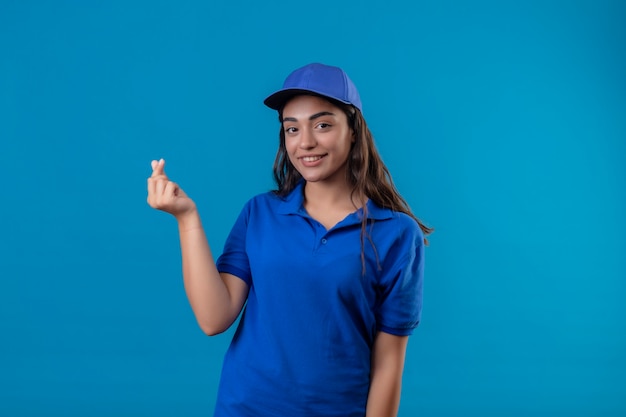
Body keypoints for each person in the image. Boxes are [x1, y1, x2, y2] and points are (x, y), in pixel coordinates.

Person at [146, 63, 432, 417]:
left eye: (323, 124)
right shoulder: (260, 213)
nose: (306, 142)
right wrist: (186, 218)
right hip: (245, 407)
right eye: (292, 128)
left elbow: (389, 363)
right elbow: (213, 318)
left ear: (354, 129)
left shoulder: (397, 234)